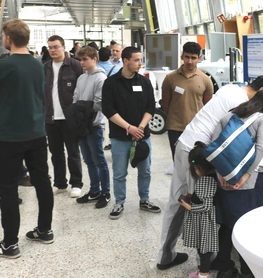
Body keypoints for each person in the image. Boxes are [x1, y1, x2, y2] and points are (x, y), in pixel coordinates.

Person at [156, 75, 263, 271]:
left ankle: (165, 255)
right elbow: (238, 146)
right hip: (202, 156)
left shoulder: (230, 89)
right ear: (262, 90)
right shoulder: (245, 106)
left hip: (185, 144)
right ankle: (206, 264)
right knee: (204, 210)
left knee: (176, 201)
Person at [0, 19, 54, 259]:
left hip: (9, 136)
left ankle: (10, 244)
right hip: (36, 133)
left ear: (8, 39)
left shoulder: (2, 65)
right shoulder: (38, 64)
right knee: (42, 182)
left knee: (8, 189)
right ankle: (45, 230)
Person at [213, 90, 263, 278]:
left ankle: (224, 266)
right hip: (248, 185)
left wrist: (221, 173)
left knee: (227, 224)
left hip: (224, 180)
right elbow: (260, 151)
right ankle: (248, 272)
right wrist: (245, 176)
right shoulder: (262, 119)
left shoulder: (228, 115)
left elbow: (214, 146)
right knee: (247, 229)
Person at [102, 46, 160, 220]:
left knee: (146, 171)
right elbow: (108, 110)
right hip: (120, 137)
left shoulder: (144, 82)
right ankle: (119, 202)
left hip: (143, 136)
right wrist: (129, 128)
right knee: (120, 173)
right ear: (125, 61)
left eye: (140, 59)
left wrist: (140, 128)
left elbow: (151, 106)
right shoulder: (111, 83)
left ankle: (144, 200)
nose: (139, 63)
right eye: (136, 60)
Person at [44, 35, 84, 198]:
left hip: (69, 117)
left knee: (73, 152)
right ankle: (60, 183)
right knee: (56, 153)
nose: (52, 50)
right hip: (51, 118)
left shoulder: (74, 65)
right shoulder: (45, 67)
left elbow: (81, 90)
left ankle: (76, 183)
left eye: (55, 47)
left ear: (63, 47)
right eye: (50, 47)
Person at [72, 46, 111, 209]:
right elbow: (75, 99)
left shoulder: (100, 78)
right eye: (80, 59)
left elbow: (98, 104)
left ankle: (106, 192)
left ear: (94, 59)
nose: (82, 62)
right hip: (81, 124)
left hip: (94, 124)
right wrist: (80, 109)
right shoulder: (81, 78)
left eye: (85, 59)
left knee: (99, 160)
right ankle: (94, 190)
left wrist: (81, 108)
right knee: (88, 160)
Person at [162, 41, 213, 160]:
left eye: (193, 58)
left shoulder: (205, 80)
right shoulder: (170, 78)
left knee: (195, 163)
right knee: (178, 161)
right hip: (175, 128)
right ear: (182, 56)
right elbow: (165, 104)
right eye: (187, 57)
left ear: (199, 58)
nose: (190, 61)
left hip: (196, 128)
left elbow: (208, 107)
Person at [179, 142, 219, 278]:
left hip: (203, 222)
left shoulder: (204, 181)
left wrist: (187, 205)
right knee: (205, 249)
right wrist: (193, 196)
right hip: (207, 221)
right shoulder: (214, 177)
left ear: (198, 167)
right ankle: (204, 270)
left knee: (204, 250)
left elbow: (206, 206)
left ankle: (203, 274)